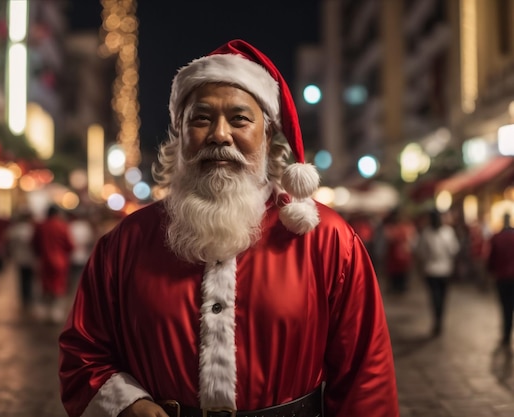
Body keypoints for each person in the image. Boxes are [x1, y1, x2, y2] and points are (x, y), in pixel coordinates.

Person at [58, 39, 399, 417]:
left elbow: (365, 376)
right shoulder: (124, 244)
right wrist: (127, 405)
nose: (220, 134)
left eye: (239, 119)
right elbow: (82, 354)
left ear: (268, 137)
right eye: (201, 119)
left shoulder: (328, 240)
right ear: (180, 137)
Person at [415, 208, 460, 337]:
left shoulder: (427, 233)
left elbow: (421, 252)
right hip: (442, 270)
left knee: (436, 297)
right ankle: (439, 320)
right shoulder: (447, 232)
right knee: (440, 297)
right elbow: (454, 250)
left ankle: (437, 320)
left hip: (433, 270)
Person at [32, 205, 74, 324]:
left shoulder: (41, 226)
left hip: (44, 261)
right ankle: (56, 313)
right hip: (60, 261)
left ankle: (46, 311)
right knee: (59, 287)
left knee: (46, 286)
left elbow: (34, 243)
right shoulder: (63, 226)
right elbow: (70, 245)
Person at [487, 213, 514, 351]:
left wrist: (490, 271)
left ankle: (506, 334)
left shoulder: (497, 237)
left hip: (502, 278)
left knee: (506, 308)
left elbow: (491, 259)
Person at [5, 210, 37, 309]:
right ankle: (28, 297)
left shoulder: (15, 230)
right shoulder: (31, 229)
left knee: (23, 278)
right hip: (30, 258)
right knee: (29, 278)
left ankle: (25, 298)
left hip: (19, 258)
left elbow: (9, 242)